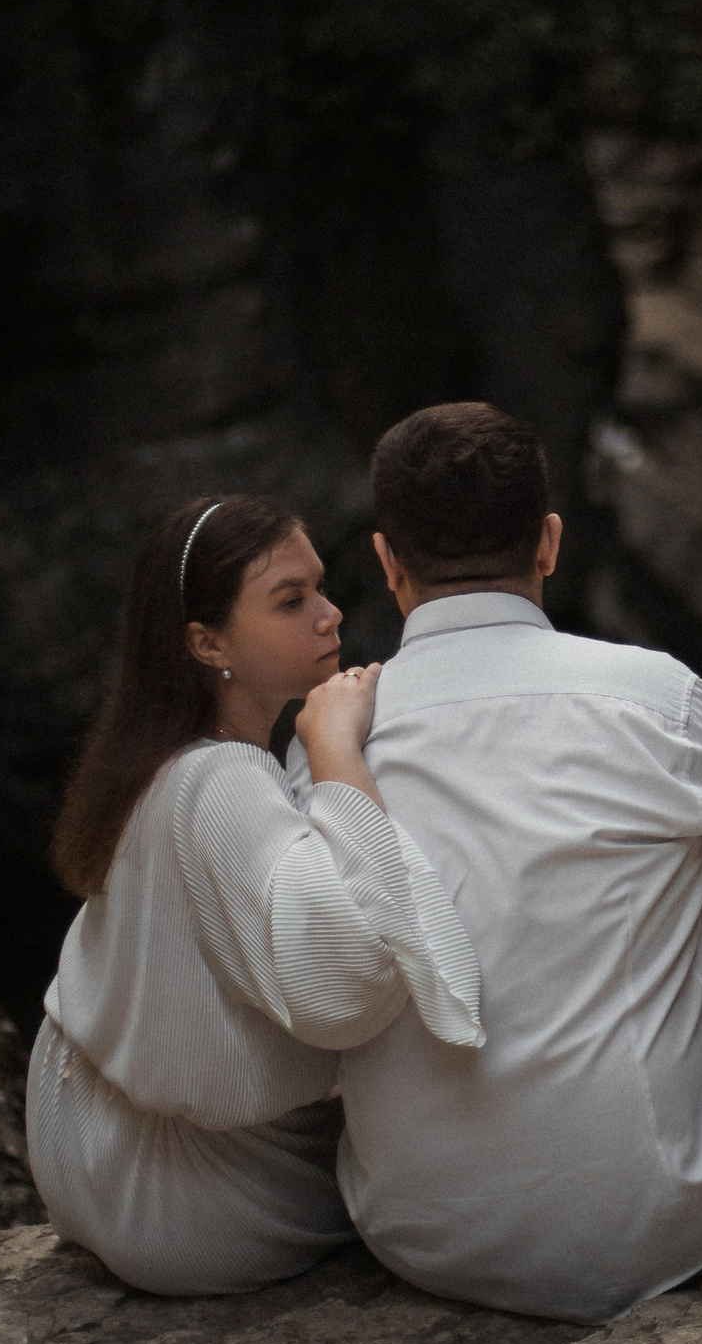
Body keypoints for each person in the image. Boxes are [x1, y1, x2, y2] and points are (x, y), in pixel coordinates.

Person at [331, 402, 702, 1324]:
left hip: (419, 1234)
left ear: (386, 560)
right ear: (549, 541)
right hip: (646, 1229)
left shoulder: (333, 739)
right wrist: (671, 980)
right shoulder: (660, 697)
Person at [28, 493, 485, 1295]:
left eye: (320, 587)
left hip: (88, 1149)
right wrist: (336, 747)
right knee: (462, 1137)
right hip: (182, 1200)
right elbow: (350, 981)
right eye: (290, 600)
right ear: (206, 643)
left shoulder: (154, 759)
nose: (330, 614)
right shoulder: (221, 780)